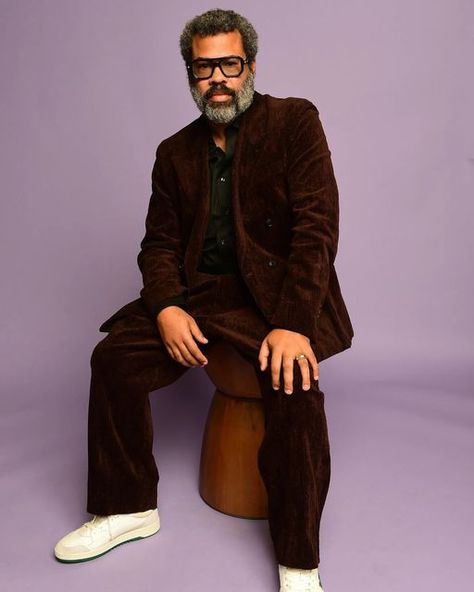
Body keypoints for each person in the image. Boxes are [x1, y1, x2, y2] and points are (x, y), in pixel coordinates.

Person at [53, 8, 354, 592]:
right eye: (203, 68)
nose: (217, 78)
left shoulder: (295, 122)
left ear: (251, 67)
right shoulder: (174, 153)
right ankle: (127, 508)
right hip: (195, 299)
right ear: (190, 76)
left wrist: (294, 323)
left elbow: (317, 229)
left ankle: (299, 561)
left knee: (294, 390)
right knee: (112, 360)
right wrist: (165, 305)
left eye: (229, 64)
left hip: (273, 301)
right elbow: (158, 245)